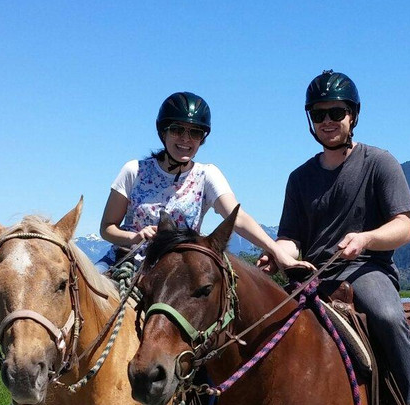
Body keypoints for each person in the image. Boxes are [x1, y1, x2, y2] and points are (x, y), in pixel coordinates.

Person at [258, 70, 410, 405]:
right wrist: (277, 255)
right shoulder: (299, 178)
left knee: (389, 318)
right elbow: (291, 238)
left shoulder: (379, 163)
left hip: (365, 269)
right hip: (311, 276)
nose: (327, 120)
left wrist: (367, 238)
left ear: (352, 115)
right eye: (319, 113)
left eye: (336, 112)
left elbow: (404, 227)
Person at [99, 91, 306, 273]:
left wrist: (278, 253)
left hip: (176, 274)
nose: (186, 139)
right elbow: (107, 228)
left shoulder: (206, 175)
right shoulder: (134, 171)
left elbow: (238, 218)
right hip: (124, 262)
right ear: (164, 132)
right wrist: (134, 238)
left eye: (195, 132)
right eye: (177, 130)